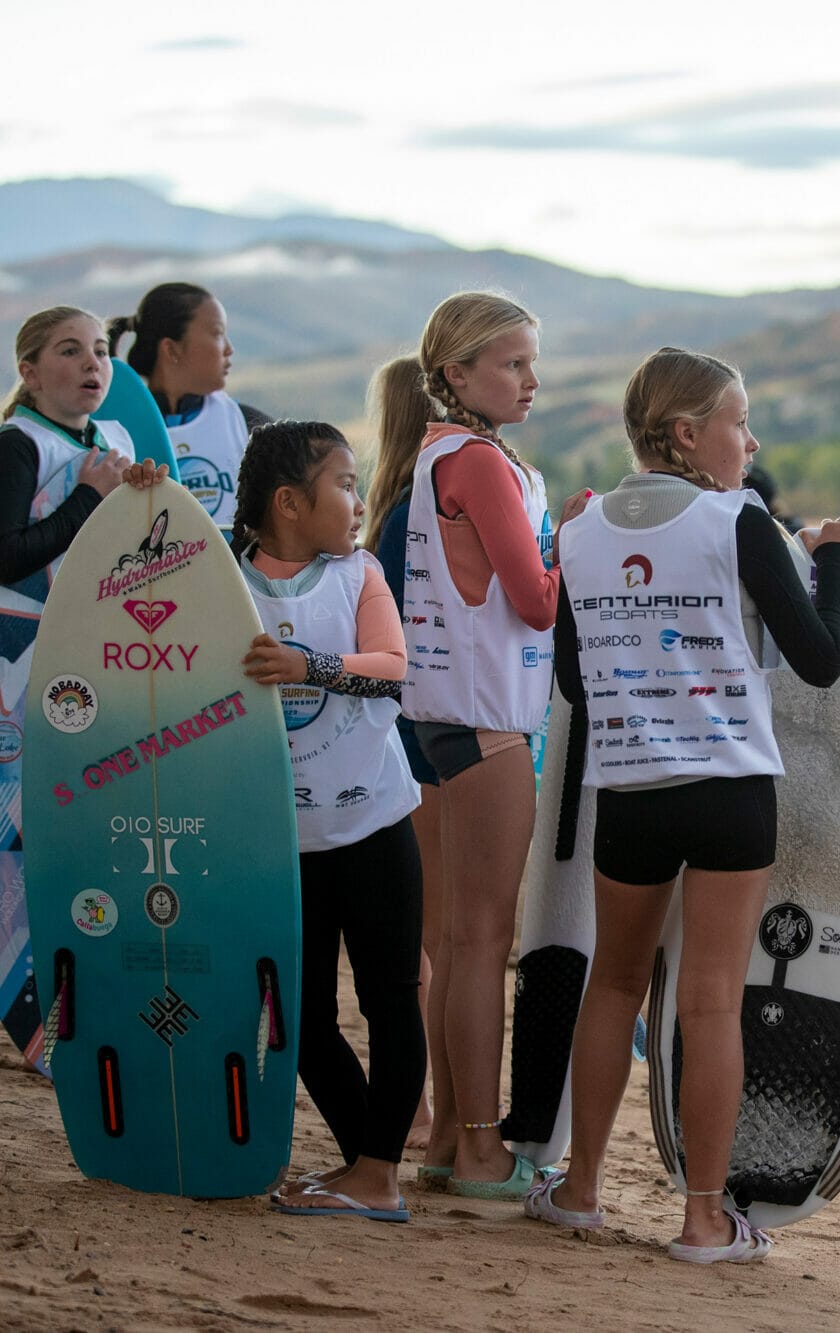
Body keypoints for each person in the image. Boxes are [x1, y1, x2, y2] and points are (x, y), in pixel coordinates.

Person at [525, 347, 840, 1263]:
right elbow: (822, 659)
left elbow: (574, 680)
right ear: (686, 433)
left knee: (615, 985)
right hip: (729, 791)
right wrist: (838, 563)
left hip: (631, 790)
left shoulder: (584, 530)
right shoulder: (737, 521)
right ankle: (703, 1221)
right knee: (711, 1002)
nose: (749, 441)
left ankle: (582, 1189)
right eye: (737, 421)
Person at [390, 292, 589, 1199]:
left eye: (531, 361)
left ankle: (440, 1140)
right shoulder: (478, 461)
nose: (531, 379)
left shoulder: (430, 455)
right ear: (456, 373)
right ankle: (478, 1147)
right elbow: (538, 600)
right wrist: (576, 538)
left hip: (431, 717)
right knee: (481, 939)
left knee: (448, 938)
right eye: (513, 363)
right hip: (486, 718)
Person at [231, 420, 425, 1223]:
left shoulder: (359, 574)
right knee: (301, 1017)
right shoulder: (223, 581)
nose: (357, 498)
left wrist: (308, 667)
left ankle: (377, 1171)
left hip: (376, 822)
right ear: (288, 502)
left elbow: (392, 669)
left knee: (389, 1001)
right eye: (344, 483)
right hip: (281, 841)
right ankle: (366, 1165)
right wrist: (144, 497)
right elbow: (150, 567)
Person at [0, 307, 165, 1058]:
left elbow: (133, 553)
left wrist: (143, 501)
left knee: (94, 825)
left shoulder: (114, 440)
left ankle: (103, 991)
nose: (92, 363)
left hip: (98, 653)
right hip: (17, 663)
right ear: (29, 371)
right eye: (70, 350)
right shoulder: (16, 444)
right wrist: (88, 497)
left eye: (101, 351)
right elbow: (11, 557)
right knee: (27, 831)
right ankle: (37, 1005)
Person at [361, 368, 446, 1154]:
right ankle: (426, 1111)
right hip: (430, 734)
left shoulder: (382, 514)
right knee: (431, 941)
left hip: (398, 733)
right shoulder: (418, 508)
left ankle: (421, 1107)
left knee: (421, 938)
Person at [106, 282, 271, 530]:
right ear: (172, 349)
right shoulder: (114, 435)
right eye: (217, 333)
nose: (229, 349)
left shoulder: (248, 426)